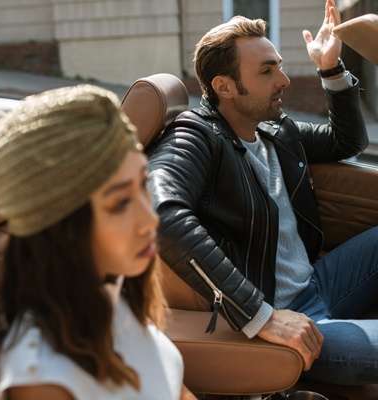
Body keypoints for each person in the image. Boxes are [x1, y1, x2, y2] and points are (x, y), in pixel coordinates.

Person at [148, 0, 378, 385]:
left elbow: (347, 141)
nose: (284, 80)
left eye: (279, 66)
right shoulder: (194, 136)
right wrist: (260, 315)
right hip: (283, 314)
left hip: (318, 281)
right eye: (267, 71)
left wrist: (329, 68)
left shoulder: (272, 130)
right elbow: (160, 213)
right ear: (224, 87)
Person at [0, 85, 196, 399]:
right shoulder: (45, 379)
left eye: (143, 184)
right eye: (120, 204)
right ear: (60, 226)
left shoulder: (114, 291)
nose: (150, 220)